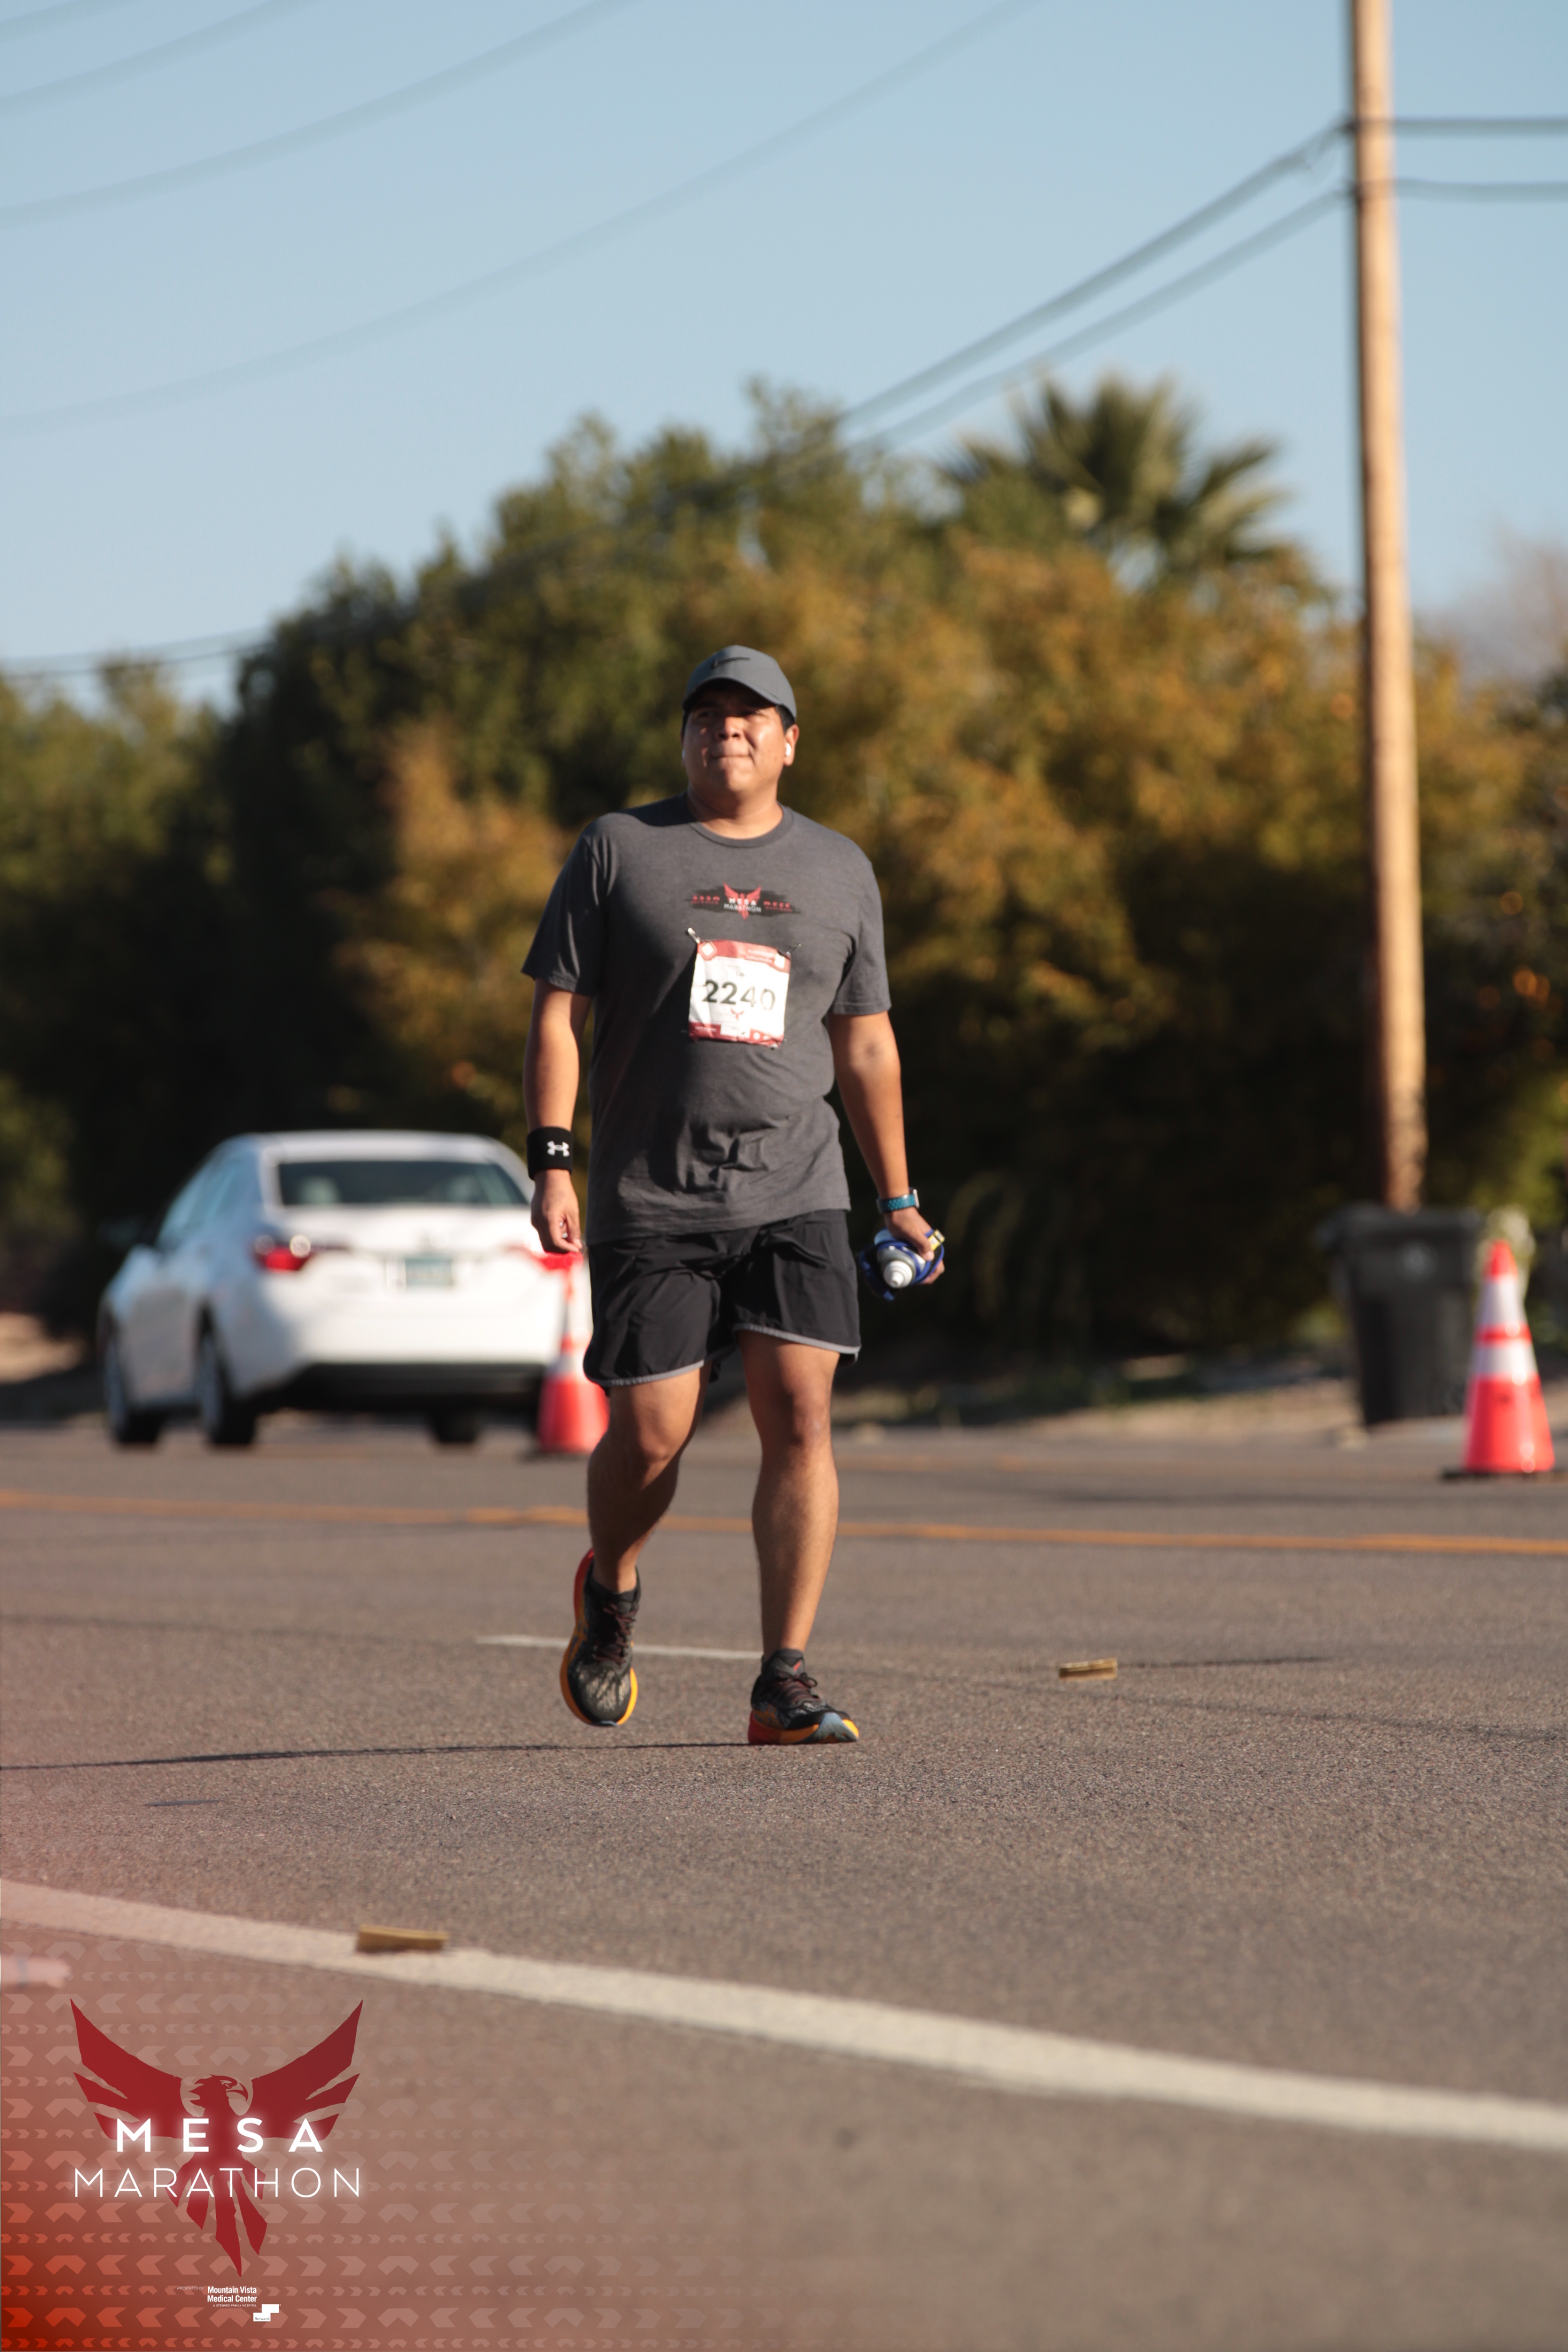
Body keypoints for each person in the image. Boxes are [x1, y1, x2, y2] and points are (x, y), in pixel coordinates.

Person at [521, 645, 941, 1745]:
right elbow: (559, 1013)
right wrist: (553, 1157)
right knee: (653, 1434)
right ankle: (611, 1590)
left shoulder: (841, 869)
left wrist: (897, 1196)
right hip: (652, 1192)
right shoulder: (619, 850)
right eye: (708, 713)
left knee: (801, 1416)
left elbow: (866, 1044)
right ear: (685, 738)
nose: (729, 729)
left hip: (797, 1184)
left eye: (753, 715)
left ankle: (781, 1680)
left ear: (790, 742)